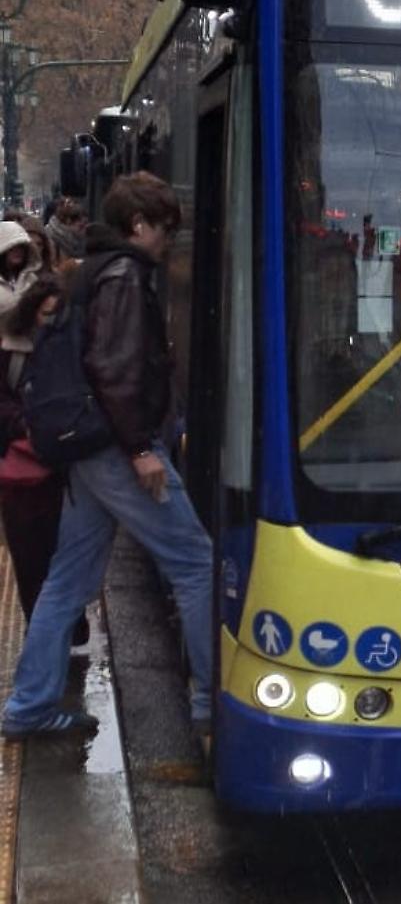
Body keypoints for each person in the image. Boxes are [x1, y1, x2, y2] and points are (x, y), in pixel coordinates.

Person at [1, 172, 213, 740]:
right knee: (195, 562)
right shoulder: (124, 275)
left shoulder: (90, 269)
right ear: (139, 225)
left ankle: (29, 705)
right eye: (165, 228)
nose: (169, 240)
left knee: (68, 579)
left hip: (86, 446)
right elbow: (115, 370)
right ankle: (209, 705)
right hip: (116, 446)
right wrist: (142, 448)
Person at [0, 277, 89, 646]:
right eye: (46, 314)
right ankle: (43, 634)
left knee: (65, 556)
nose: (51, 322)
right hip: (23, 475)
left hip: (64, 473)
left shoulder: (73, 347)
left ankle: (67, 628)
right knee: (31, 559)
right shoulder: (11, 351)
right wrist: (27, 426)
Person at [0, 221, 39, 333]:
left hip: (29, 345)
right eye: (12, 247)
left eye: (21, 247)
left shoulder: (32, 280)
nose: (18, 251)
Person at [44, 198, 87, 272]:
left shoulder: (84, 241)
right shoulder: (51, 237)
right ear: (68, 222)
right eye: (81, 226)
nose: (85, 230)